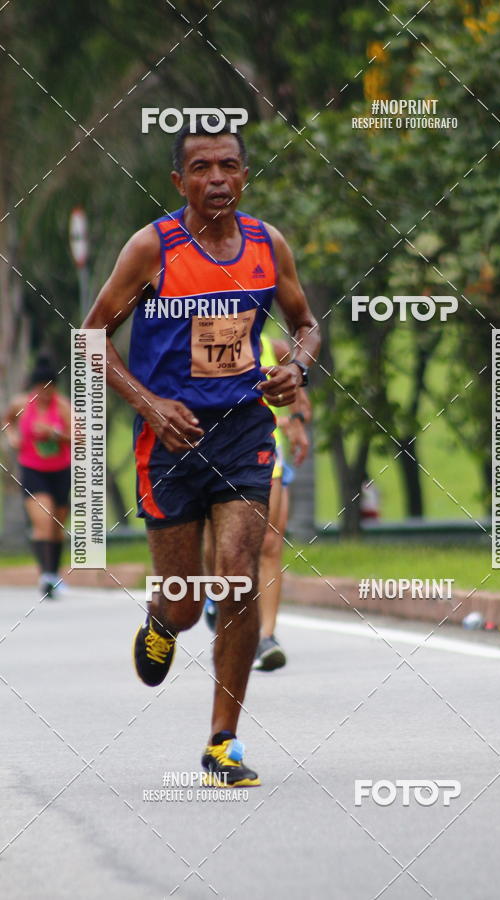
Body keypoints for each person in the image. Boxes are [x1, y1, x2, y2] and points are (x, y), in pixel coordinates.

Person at [83, 120, 320, 787]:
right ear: (178, 181)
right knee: (187, 602)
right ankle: (163, 619)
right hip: (170, 440)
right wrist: (150, 405)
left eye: (231, 166)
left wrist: (297, 366)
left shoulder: (266, 246)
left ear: (245, 174)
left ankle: (223, 743)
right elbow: (92, 336)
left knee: (239, 576)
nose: (218, 178)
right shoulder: (150, 250)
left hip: (244, 428)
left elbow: (305, 323)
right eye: (203, 167)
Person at [203, 334, 312, 674]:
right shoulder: (196, 341)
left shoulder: (273, 348)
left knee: (268, 543)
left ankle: (266, 636)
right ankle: (216, 598)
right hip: (212, 453)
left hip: (264, 453)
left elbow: (300, 402)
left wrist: (295, 423)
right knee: (218, 546)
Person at [3, 355, 71, 599]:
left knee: (57, 526)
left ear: (54, 388)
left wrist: (54, 434)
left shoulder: (63, 407)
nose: (44, 393)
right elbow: (7, 422)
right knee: (43, 521)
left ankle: (53, 573)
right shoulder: (21, 403)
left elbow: (78, 438)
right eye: (39, 388)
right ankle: (45, 576)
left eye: (48, 388)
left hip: (61, 470)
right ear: (32, 388)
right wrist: (11, 436)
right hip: (33, 470)